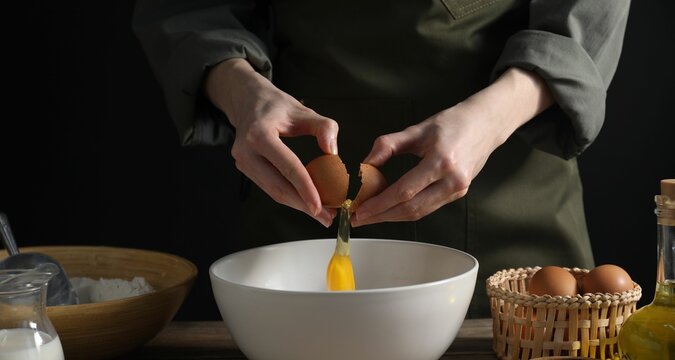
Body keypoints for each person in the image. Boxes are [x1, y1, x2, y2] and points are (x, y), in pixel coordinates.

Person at [132, 0, 630, 317]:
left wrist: (492, 118)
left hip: (511, 200)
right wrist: (243, 95)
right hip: (299, 201)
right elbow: (187, 9)